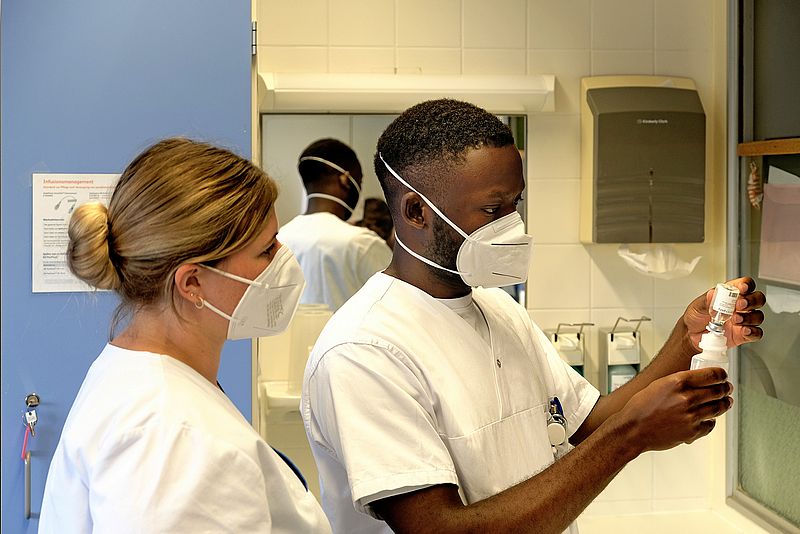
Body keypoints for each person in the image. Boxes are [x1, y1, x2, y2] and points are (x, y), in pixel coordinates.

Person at [300, 99, 766, 534]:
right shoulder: (364, 351)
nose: (513, 226)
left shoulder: (499, 308)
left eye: (515, 205)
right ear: (417, 211)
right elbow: (436, 528)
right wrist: (630, 437)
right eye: (491, 209)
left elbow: (587, 423)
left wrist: (686, 339)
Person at [39, 138, 331, 533]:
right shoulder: (173, 439)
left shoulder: (137, 372)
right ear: (193, 282)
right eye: (266, 251)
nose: (283, 258)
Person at [279, 139, 392, 311]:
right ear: (345, 180)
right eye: (359, 182)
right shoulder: (362, 244)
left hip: (290, 339)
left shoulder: (280, 238)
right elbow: (398, 304)